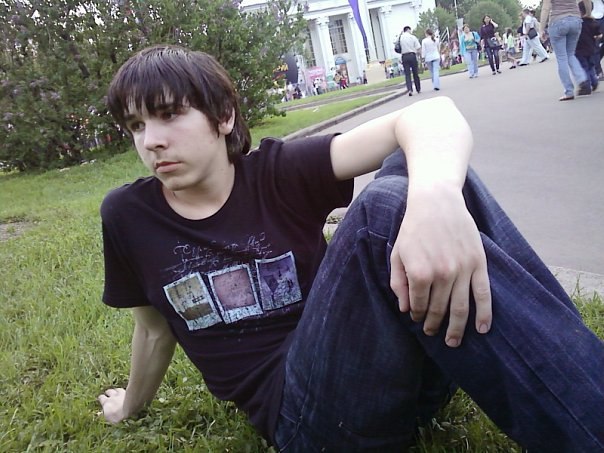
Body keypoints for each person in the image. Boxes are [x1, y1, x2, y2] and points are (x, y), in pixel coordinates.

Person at [97, 45, 604, 452]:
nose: (151, 141)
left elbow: (430, 115)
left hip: (412, 375)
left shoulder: (275, 173)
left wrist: (437, 198)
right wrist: (128, 406)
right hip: (308, 420)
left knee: (426, 171)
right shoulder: (129, 216)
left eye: (169, 115)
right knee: (383, 211)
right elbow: (154, 330)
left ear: (224, 116)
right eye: (137, 125)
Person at [540, 0, 593, 100]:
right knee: (571, 54)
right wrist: (588, 13)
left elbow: (546, 7)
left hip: (558, 21)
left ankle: (569, 91)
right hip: (575, 20)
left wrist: (541, 29)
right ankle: (582, 79)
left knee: (561, 58)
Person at [577, 0, 602, 91]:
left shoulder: (578, 23)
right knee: (591, 66)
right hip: (591, 48)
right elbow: (599, 35)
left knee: (584, 67)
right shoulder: (592, 22)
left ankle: (587, 85)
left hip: (580, 49)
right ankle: (594, 82)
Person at [397, 26, 421, 96]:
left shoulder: (400, 38)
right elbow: (418, 47)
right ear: (408, 30)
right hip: (412, 55)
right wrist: (420, 56)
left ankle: (410, 89)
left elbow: (396, 45)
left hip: (404, 56)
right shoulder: (412, 37)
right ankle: (418, 88)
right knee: (415, 73)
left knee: (407, 74)